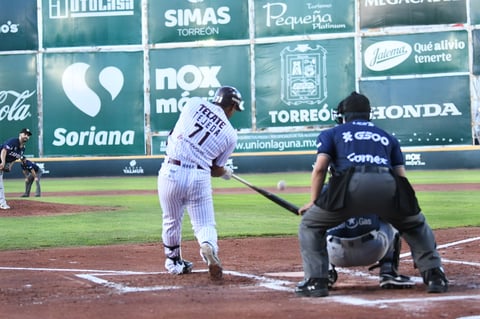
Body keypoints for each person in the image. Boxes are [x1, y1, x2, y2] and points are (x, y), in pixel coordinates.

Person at [295, 92, 448, 297]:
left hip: (348, 184)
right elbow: (400, 177)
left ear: (343, 115)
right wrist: (407, 211)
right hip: (388, 183)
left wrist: (314, 202)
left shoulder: (331, 133)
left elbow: (320, 169)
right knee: (415, 225)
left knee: (311, 225)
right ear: (368, 114)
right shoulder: (387, 136)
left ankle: (317, 281)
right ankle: (435, 275)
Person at [157, 86, 243, 280]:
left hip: (171, 169)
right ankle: (208, 246)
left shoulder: (193, 103)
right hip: (199, 176)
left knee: (171, 220)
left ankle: (174, 263)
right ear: (231, 107)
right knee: (204, 223)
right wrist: (226, 172)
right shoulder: (230, 134)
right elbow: (215, 169)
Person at [326, 215, 414, 289]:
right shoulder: (373, 195)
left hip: (335, 254)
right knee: (392, 221)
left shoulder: (329, 197)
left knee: (317, 228)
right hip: (373, 251)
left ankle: (326, 273)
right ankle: (388, 272)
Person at [0, 128, 33, 210]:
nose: (26, 136)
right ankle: (2, 203)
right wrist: (3, 162)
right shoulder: (13, 141)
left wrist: (10, 165)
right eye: (25, 134)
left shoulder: (22, 148)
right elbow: (4, 151)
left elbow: (15, 158)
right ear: (20, 134)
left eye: (28, 135)